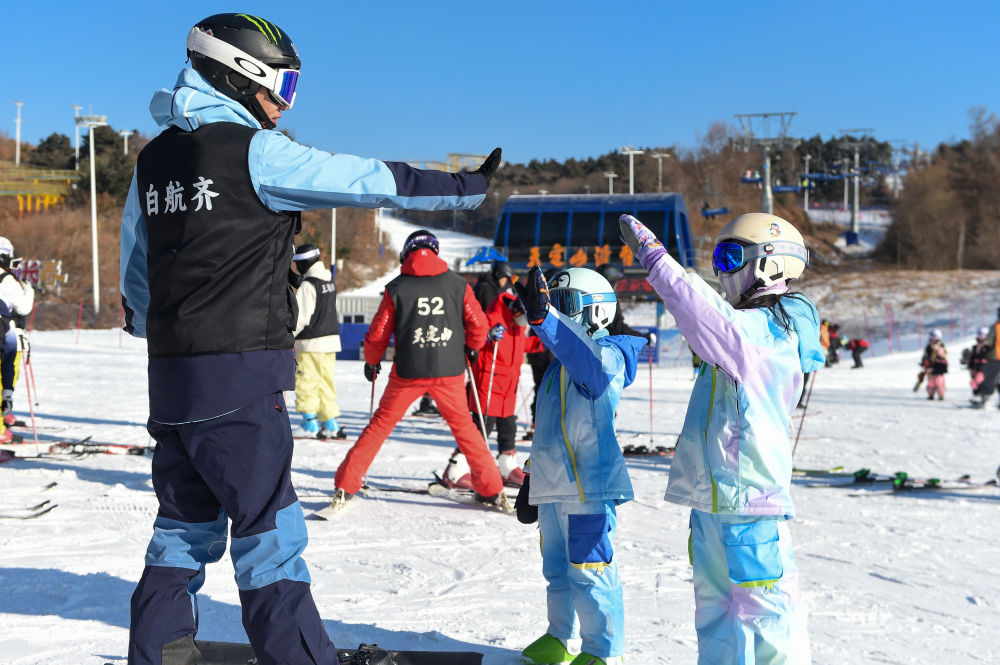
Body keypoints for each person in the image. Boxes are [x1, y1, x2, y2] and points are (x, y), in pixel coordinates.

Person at [118, 14, 501, 665]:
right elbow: (363, 178)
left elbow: (136, 261)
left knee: (182, 525)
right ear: (240, 74)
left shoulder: (153, 161)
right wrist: (466, 188)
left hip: (173, 383)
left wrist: (148, 322)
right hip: (240, 380)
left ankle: (158, 649)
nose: (284, 104)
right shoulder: (255, 151)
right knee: (269, 532)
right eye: (284, 86)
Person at [620, 211, 823, 665]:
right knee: (716, 611)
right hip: (714, 498)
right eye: (717, 260)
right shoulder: (748, 327)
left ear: (770, 263)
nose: (722, 271)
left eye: (731, 257)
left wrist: (657, 260)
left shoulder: (774, 328)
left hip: (750, 500)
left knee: (765, 612)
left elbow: (712, 321)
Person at [513, 266, 644, 665]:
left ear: (597, 310)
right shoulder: (559, 363)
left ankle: (604, 651)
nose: (556, 311)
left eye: (564, 303)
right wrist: (532, 475)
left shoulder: (611, 353)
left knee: (590, 569)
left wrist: (547, 322)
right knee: (556, 569)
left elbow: (593, 367)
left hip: (588, 487)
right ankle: (561, 637)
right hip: (553, 485)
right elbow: (550, 429)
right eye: (551, 303)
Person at [332, 230, 509, 509]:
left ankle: (346, 484)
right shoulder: (457, 284)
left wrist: (372, 361)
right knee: (466, 430)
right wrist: (473, 347)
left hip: (408, 372)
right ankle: (491, 488)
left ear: (406, 253)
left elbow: (378, 332)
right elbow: (479, 324)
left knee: (379, 426)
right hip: (449, 370)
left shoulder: (396, 287)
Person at [444, 291, 541, 488]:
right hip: (487, 387)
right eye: (524, 317)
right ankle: (455, 469)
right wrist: (487, 336)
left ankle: (507, 467)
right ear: (516, 310)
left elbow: (522, 345)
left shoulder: (518, 326)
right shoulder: (490, 318)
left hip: (508, 390)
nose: (525, 322)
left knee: (509, 428)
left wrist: (546, 342)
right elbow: (468, 340)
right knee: (480, 430)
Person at [292, 244, 346, 439]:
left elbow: (300, 318)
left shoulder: (308, 285)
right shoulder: (329, 282)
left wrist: (287, 337)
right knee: (325, 383)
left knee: (307, 382)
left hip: (310, 343)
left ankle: (309, 424)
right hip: (330, 342)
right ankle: (330, 423)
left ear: (303, 263)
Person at [0, 237, 34, 444]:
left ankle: (4, 414)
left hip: (7, 330)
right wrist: (28, 290)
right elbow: (23, 307)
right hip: (7, 331)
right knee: (6, 375)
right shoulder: (7, 279)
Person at [596, 263, 656, 346]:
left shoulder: (586, 296)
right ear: (611, 282)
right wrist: (644, 339)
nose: (617, 286)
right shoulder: (609, 302)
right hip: (599, 347)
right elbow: (618, 329)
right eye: (616, 283)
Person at [972, 309, 1000, 409]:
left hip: (995, 357)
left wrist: (983, 349)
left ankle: (984, 401)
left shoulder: (996, 327)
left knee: (989, 379)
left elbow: (988, 341)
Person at [920, 329, 948, 401]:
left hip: (938, 368)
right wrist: (923, 363)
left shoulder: (940, 347)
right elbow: (925, 356)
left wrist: (938, 350)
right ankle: (931, 394)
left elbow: (943, 356)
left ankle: (941, 395)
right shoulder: (928, 347)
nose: (932, 340)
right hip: (930, 368)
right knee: (931, 382)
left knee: (939, 382)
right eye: (931, 338)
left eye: (933, 338)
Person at [962, 326, 990, 395]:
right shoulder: (975, 347)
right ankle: (976, 394)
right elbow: (972, 357)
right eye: (979, 335)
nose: (980, 337)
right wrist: (970, 365)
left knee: (979, 380)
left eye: (982, 335)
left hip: (984, 368)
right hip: (975, 368)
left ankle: (982, 395)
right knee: (974, 382)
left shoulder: (988, 347)